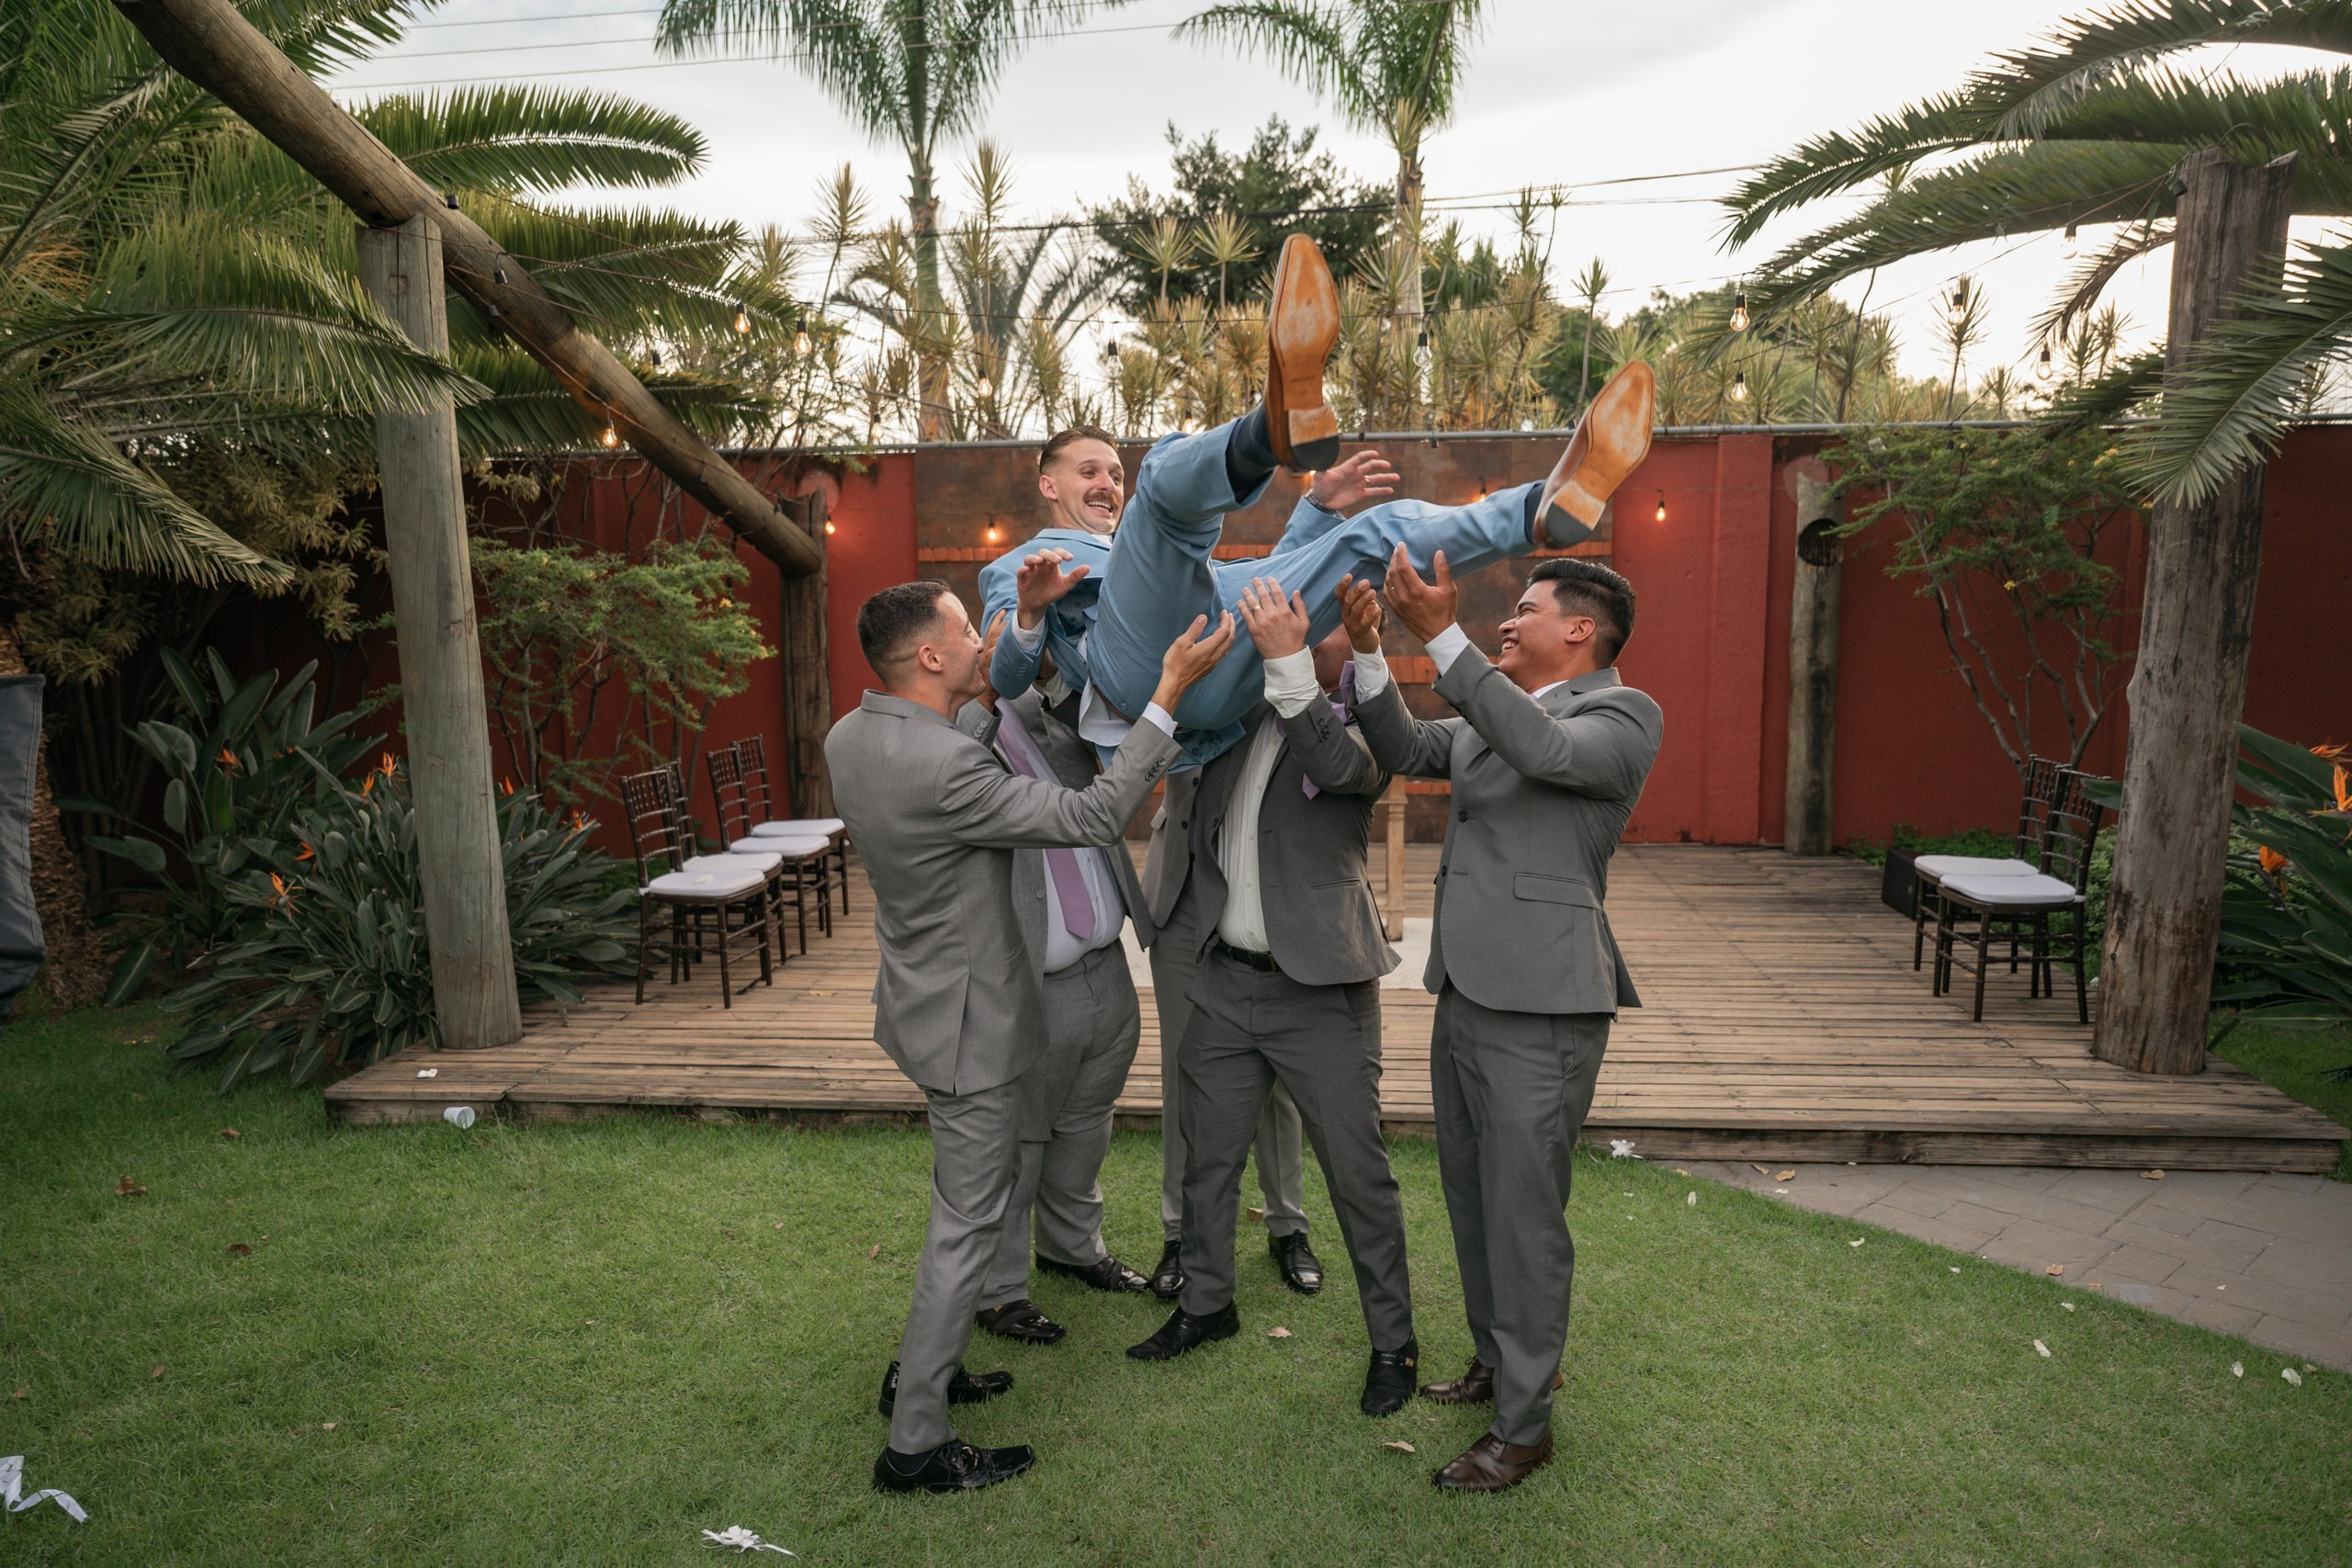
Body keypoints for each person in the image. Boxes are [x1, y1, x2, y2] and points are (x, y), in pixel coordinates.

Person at [824, 581, 1233, 1495]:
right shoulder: (950, 773)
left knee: (961, 1207)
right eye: (969, 629)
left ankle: (921, 1374)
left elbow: (965, 728)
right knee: (963, 1229)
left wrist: (1012, 654)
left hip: (923, 1007)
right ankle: (916, 1442)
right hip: (972, 1028)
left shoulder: (854, 735)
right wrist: (1165, 694)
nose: (987, 636)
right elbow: (1090, 818)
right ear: (928, 655)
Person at [984, 233, 1656, 767]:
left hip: (1219, 653)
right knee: (1162, 484)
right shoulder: (1014, 567)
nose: (1106, 483)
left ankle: (1540, 508)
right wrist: (1032, 613)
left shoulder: (1155, 561)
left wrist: (1318, 509)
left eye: (1111, 472)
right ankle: (1266, 433)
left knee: (1373, 534)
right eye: (1088, 472)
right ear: (1048, 485)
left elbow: (1266, 597)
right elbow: (1006, 677)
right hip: (1138, 673)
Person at [1343, 547, 1663, 1493]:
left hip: (1546, 1004)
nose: (1506, 621)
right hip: (1468, 990)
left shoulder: (1621, 714)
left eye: (1525, 609)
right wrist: (1369, 653)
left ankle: (1523, 1429)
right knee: (1473, 1194)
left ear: (1580, 629)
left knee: (1524, 1218)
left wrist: (1439, 632)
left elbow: (1546, 753)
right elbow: (1405, 749)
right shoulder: (1493, 715)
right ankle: (1496, 1362)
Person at [1125, 579, 1424, 1421]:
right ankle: (1207, 1303)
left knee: (1357, 1174)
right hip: (1224, 980)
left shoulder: (1362, 729)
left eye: (1317, 626)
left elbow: (1337, 767)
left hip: (1320, 990)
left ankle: (1393, 1341)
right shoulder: (1230, 722)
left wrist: (1299, 660)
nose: (1300, 630)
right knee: (1207, 1159)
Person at [970, 684, 1157, 1348]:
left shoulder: (1052, 720)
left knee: (1085, 1128)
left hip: (1106, 966)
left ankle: (1071, 1247)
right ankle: (998, 1290)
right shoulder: (959, 741)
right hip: (1033, 986)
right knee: (1018, 1143)